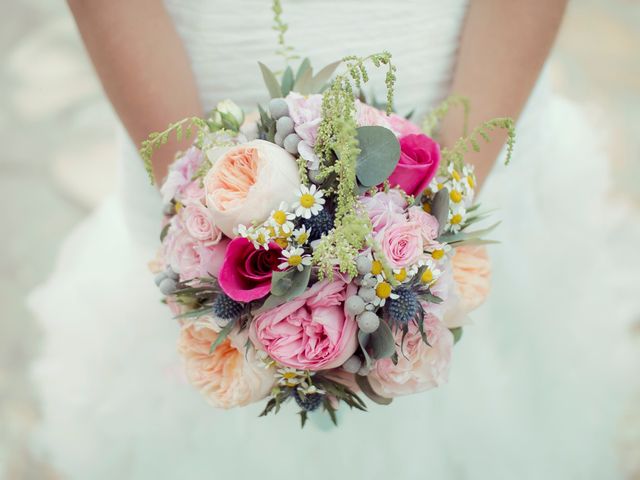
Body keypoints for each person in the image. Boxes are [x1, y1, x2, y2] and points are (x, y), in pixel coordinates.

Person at [28, 0, 640, 478]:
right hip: (179, 109)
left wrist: (433, 217)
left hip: (472, 109)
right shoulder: (195, 196)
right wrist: (205, 209)